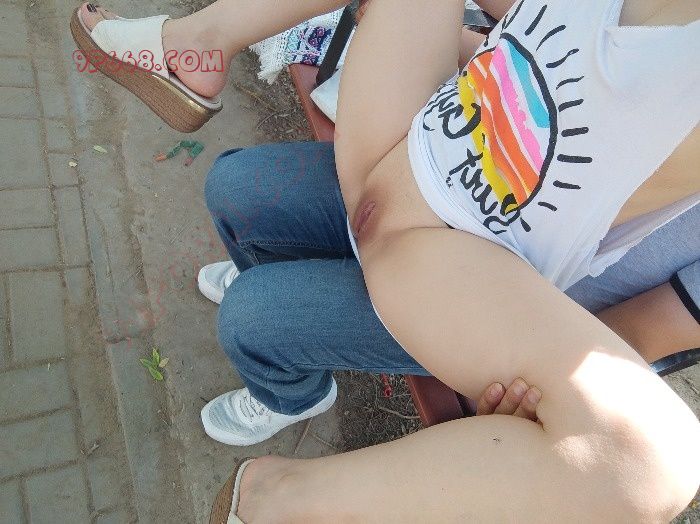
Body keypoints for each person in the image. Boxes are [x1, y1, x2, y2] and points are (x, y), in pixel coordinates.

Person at [72, 0, 700, 521]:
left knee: (252, 318)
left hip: (466, 271)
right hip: (404, 145)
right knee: (233, 189)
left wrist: (548, 381)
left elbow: (651, 330)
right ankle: (197, 48)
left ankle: (285, 447)